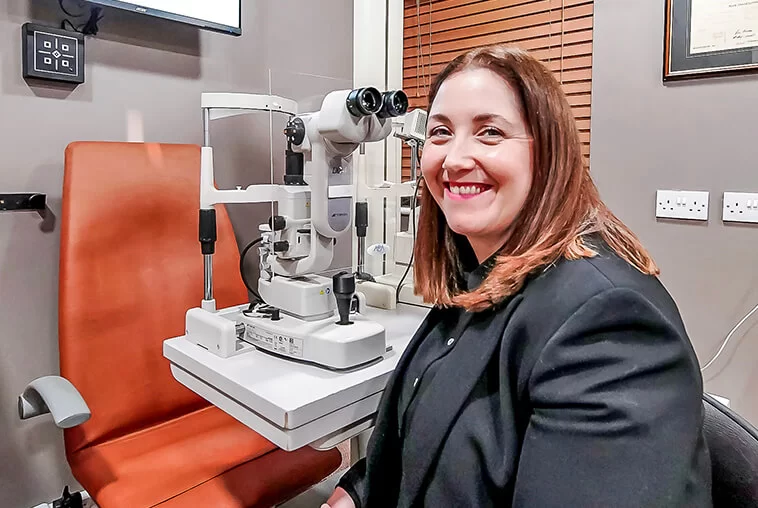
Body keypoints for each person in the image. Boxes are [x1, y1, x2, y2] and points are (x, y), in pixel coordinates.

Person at [323, 44, 712, 508]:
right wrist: (358, 492)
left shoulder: (607, 326)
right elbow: (426, 431)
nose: (454, 159)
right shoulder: (478, 278)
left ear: (547, 152)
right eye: (441, 132)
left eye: (489, 132)